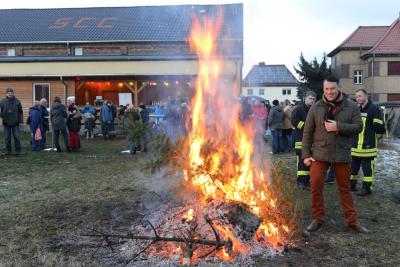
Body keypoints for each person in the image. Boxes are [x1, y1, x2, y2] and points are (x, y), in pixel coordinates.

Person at [302, 76, 368, 233]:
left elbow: (358, 126)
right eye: (326, 89)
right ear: (323, 89)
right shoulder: (316, 107)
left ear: (338, 88)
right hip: (320, 152)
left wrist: (339, 127)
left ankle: (352, 221)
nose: (329, 92)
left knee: (345, 188)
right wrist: (305, 154)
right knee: (316, 185)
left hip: (341, 152)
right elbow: (308, 131)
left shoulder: (351, 105)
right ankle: (318, 218)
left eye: (332, 88)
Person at [350, 89, 386, 196]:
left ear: (366, 96)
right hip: (355, 147)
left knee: (367, 171)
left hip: (367, 147)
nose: (358, 98)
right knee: (353, 169)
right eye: (356, 97)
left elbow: (380, 128)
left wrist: (374, 138)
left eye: (360, 96)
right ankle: (351, 185)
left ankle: (367, 188)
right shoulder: (356, 110)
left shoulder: (374, 109)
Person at [291, 91, 316, 188]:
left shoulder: (315, 110)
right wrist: (307, 126)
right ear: (305, 98)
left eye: (313, 99)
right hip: (300, 139)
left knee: (310, 161)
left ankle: (307, 181)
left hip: (312, 141)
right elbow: (294, 121)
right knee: (301, 161)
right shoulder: (298, 109)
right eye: (310, 98)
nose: (312, 100)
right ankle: (300, 181)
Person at [0, 87, 23, 155]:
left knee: (17, 137)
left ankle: (18, 151)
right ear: (6, 94)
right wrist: (2, 116)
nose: (10, 94)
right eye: (8, 93)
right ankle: (8, 151)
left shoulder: (17, 101)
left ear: (13, 93)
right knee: (7, 138)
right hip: (6, 123)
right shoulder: (2, 101)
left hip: (15, 123)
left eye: (11, 93)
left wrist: (21, 121)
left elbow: (20, 112)